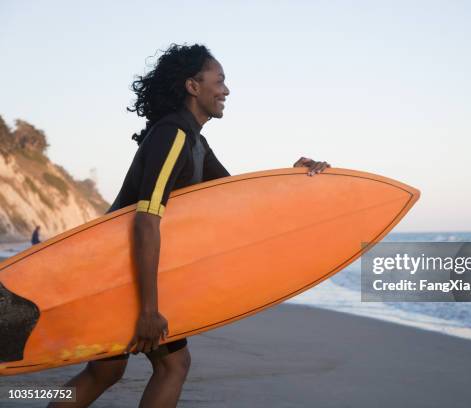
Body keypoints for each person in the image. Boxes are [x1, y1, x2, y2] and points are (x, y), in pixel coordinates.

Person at [48, 43, 330, 408]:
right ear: (193, 86)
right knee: (172, 365)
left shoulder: (195, 140)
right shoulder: (173, 135)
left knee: (106, 371)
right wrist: (148, 309)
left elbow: (235, 199)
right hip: (121, 275)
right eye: (220, 80)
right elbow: (147, 219)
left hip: (118, 273)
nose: (226, 90)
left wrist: (294, 177)